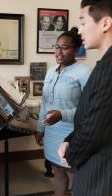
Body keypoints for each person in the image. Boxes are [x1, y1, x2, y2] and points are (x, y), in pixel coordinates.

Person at [58, 0, 112, 196]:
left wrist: (70, 153)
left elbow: (95, 125)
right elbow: (94, 112)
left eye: (83, 22)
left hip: (104, 175)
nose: (80, 31)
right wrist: (70, 139)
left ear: (105, 23)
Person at [35, 27, 91, 196]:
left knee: (73, 173)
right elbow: (45, 102)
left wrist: (62, 115)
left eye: (64, 48)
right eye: (56, 46)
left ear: (76, 49)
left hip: (72, 133)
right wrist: (40, 128)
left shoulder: (85, 73)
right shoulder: (51, 71)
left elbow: (88, 109)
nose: (58, 51)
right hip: (51, 132)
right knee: (57, 171)